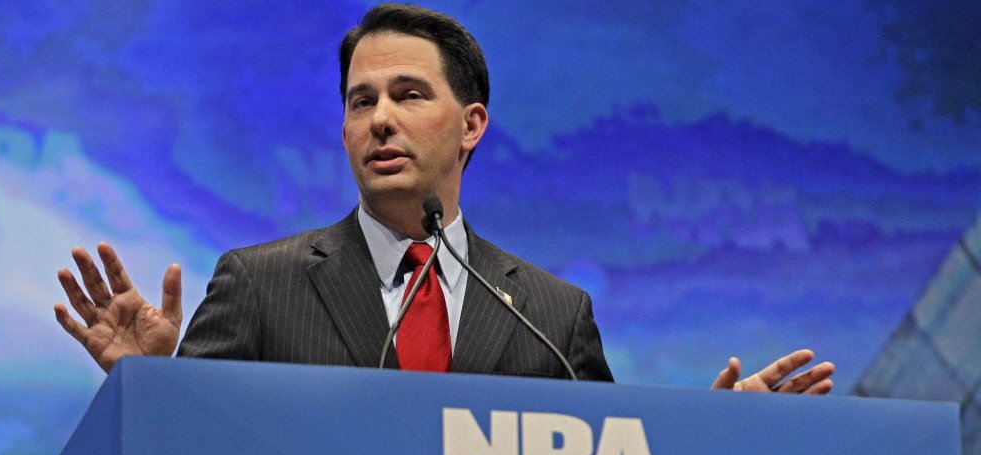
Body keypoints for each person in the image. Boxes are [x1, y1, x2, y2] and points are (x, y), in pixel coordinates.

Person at [54, 3, 834, 393]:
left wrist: (714, 443)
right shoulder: (260, 286)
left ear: (470, 126)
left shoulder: (555, 319)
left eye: (407, 94)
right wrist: (151, 393)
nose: (380, 119)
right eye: (361, 102)